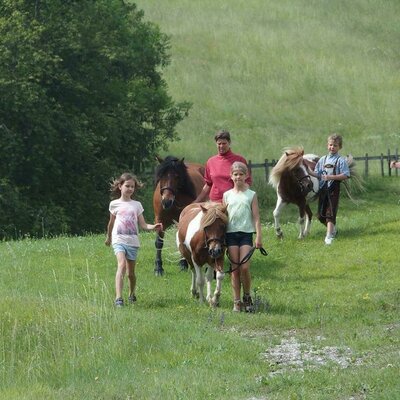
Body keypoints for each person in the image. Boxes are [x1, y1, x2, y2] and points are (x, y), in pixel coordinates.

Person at [105, 172, 163, 307]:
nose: (130, 189)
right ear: (120, 186)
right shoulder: (114, 204)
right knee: (121, 265)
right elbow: (111, 223)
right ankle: (118, 298)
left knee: (131, 273)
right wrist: (108, 237)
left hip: (133, 242)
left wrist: (153, 226)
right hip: (118, 240)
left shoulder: (137, 205)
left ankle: (132, 294)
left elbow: (143, 225)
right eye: (127, 186)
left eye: (132, 187)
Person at [222, 161, 262, 312]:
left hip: (246, 233)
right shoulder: (226, 195)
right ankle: (236, 301)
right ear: (231, 176)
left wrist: (258, 237)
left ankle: (247, 296)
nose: (238, 177)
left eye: (241, 174)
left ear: (246, 176)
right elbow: (224, 217)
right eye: (235, 174)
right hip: (231, 234)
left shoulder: (251, 195)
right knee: (235, 268)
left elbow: (256, 217)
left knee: (244, 267)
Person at [308, 134, 350, 245]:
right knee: (320, 215)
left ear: (339, 147)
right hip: (323, 189)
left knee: (330, 212)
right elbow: (318, 174)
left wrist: (331, 177)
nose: (332, 147)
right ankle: (333, 230)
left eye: (335, 145)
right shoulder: (323, 159)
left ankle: (329, 236)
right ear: (327, 145)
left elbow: (345, 175)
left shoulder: (341, 160)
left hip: (334, 189)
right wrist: (309, 172)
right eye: (330, 145)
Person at [194, 130, 252, 203]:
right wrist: (197, 201)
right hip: (215, 202)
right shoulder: (211, 162)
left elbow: (247, 182)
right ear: (216, 144)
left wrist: (241, 198)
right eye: (219, 143)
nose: (221, 146)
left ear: (229, 142)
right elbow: (208, 184)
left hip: (233, 201)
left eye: (224, 143)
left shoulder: (239, 160)